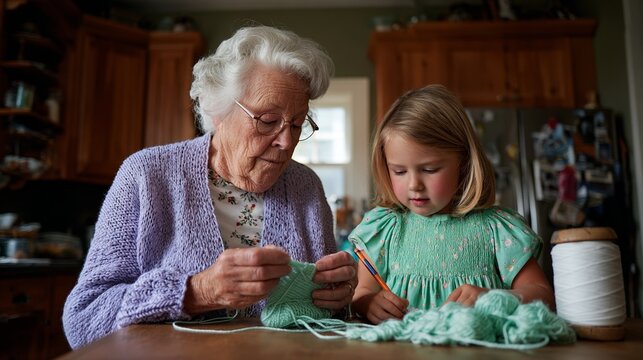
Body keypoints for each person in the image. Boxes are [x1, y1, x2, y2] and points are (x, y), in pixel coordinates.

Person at [63, 25, 357, 349]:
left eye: (298, 123)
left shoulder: (306, 188)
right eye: (268, 120)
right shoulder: (147, 176)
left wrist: (338, 298)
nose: (287, 142)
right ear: (219, 110)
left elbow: (324, 319)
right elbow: (84, 319)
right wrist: (196, 292)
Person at [350, 84, 554, 325]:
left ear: (464, 162)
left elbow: (543, 297)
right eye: (399, 171)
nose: (414, 184)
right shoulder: (385, 228)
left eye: (430, 169)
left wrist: (494, 297)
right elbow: (362, 292)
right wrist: (368, 304)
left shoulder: (496, 230)